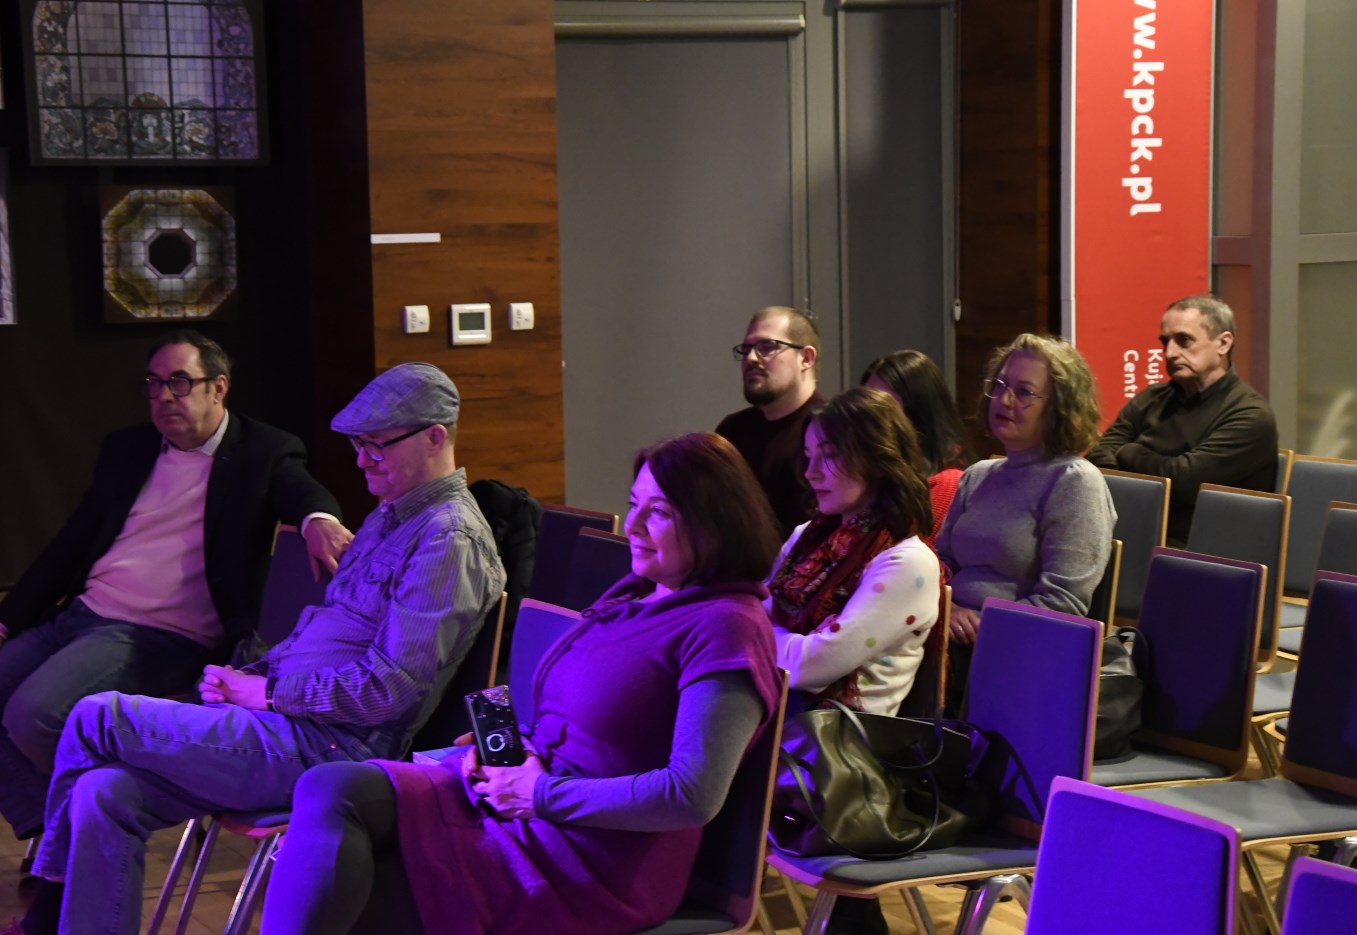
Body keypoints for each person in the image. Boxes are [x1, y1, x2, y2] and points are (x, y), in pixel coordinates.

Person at [18, 362, 506, 935]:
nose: (362, 461)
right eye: (358, 446)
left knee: (95, 715)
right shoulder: (391, 516)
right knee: (103, 791)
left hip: (331, 749)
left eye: (377, 446)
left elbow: (389, 688)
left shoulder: (448, 538)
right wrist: (244, 678)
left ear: (435, 437)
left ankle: (43, 916)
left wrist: (268, 693)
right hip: (284, 726)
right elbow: (320, 635)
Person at [259, 433, 783, 935]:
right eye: (634, 504)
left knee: (359, 891)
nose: (636, 525)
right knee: (330, 786)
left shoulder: (726, 625)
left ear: (716, 523)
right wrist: (513, 752)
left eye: (661, 512)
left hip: (590, 857)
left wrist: (539, 793)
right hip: (524, 802)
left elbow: (690, 796)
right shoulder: (638, 594)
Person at [0, 330, 352, 844]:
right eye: (155, 383)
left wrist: (320, 518)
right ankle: (55, 826)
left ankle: (86, 831)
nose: (164, 396)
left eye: (180, 382)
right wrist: (8, 617)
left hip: (158, 634)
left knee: (34, 716)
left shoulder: (263, 451)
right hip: (83, 612)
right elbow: (71, 543)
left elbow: (302, 491)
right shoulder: (128, 448)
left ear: (218, 388)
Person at [936, 334, 1116, 704]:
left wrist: (983, 625)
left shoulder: (1074, 481)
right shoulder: (978, 475)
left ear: (1059, 408)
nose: (1004, 400)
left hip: (1015, 654)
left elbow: (1063, 602)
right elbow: (939, 565)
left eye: (1024, 392)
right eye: (1000, 385)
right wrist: (946, 609)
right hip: (948, 637)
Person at [768, 387, 940, 718]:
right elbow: (755, 614)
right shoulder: (806, 536)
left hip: (836, 736)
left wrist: (761, 636)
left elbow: (810, 667)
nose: (811, 472)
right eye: (808, 456)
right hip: (775, 710)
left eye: (830, 455)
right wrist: (787, 639)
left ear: (876, 459)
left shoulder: (908, 562)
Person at [1088, 293, 1278, 545]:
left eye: (1183, 341)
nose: (1169, 353)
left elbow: (1181, 483)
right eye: (1165, 342)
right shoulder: (1152, 397)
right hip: (1134, 529)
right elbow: (1098, 458)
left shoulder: (1250, 415)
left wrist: (1128, 452)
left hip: (1204, 548)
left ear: (1223, 344)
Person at [716, 305, 825, 531]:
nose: (751, 358)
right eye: (746, 349)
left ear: (806, 358)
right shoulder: (732, 431)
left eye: (767, 347)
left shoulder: (831, 431)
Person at [861, 349, 972, 540]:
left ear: (919, 413)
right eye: (866, 405)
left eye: (884, 408)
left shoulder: (948, 482)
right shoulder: (872, 470)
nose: (869, 419)